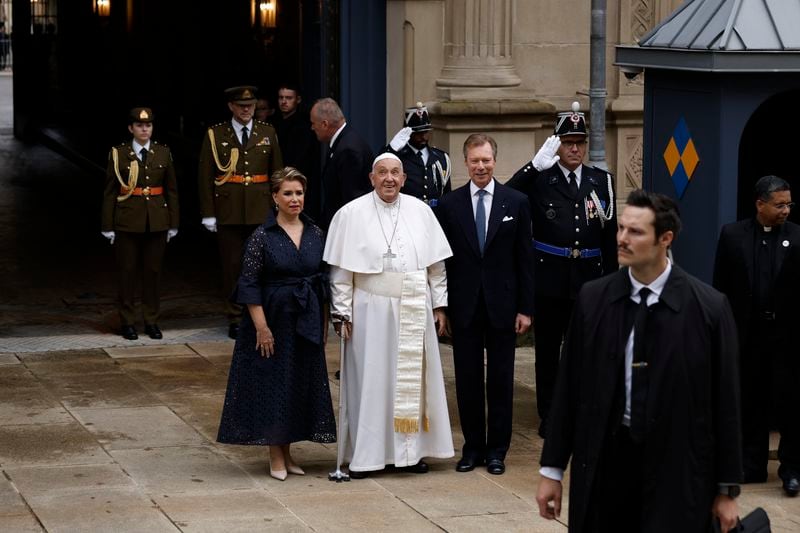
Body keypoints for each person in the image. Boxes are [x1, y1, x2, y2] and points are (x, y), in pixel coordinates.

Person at [536, 189, 742, 533]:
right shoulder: (593, 300)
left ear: (665, 238)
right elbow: (569, 390)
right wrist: (552, 470)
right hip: (606, 464)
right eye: (620, 228)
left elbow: (727, 404)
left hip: (677, 470)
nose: (622, 239)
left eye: (635, 232)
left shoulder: (709, 309)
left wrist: (727, 490)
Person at [322, 153, 454, 478]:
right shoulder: (350, 214)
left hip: (413, 305)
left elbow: (436, 268)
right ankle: (368, 457)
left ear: (404, 178)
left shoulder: (421, 212)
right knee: (372, 382)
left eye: (395, 173)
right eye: (382, 173)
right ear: (371, 177)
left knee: (413, 385)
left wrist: (439, 306)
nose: (389, 179)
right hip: (369, 309)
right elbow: (340, 273)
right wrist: (341, 313)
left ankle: (411, 454)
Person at [506, 101, 617, 438]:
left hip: (589, 279)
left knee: (585, 350)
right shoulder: (542, 179)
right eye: (567, 142)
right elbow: (506, 197)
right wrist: (532, 168)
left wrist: (612, 284)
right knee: (548, 353)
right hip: (550, 279)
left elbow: (609, 237)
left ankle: (582, 410)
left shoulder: (602, 180)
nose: (574, 149)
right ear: (557, 144)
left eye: (579, 142)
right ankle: (551, 414)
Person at [217, 167, 336, 480]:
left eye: (299, 193)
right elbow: (249, 284)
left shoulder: (316, 233)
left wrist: (323, 324)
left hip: (306, 319)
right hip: (272, 320)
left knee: (297, 384)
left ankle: (288, 452)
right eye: (288, 193)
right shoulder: (261, 237)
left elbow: (323, 282)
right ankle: (275, 454)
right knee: (273, 384)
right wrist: (262, 328)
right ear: (274, 197)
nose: (294, 199)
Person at [436, 134, 534, 475]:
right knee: (467, 380)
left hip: (504, 306)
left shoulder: (516, 201)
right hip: (464, 306)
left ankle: (497, 451)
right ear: (466, 162)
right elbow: (443, 262)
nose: (481, 166)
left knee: (501, 380)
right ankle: (473, 447)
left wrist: (526, 308)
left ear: (495, 161)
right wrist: (442, 307)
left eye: (487, 160)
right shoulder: (450, 205)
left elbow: (525, 260)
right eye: (475, 161)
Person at [713, 175, 800, 496]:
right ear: (760, 204)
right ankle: (751, 465)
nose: (786, 210)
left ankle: (791, 468)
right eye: (779, 205)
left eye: (789, 204)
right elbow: (720, 287)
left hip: (788, 338)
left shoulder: (798, 237)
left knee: (791, 404)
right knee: (750, 401)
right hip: (748, 335)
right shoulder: (732, 235)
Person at [198, 85, 283, 339]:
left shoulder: (267, 132)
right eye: (241, 106)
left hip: (260, 210)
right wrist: (208, 212)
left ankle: (261, 315)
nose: (247, 110)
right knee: (233, 266)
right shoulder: (216, 134)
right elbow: (205, 176)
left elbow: (277, 173)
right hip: (229, 210)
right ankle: (235, 317)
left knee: (263, 265)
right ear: (231, 107)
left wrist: (279, 208)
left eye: (251, 106)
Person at [101, 107, 179, 340]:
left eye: (148, 125)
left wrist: (173, 222)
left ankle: (151, 321)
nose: (144, 129)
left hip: (156, 221)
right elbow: (110, 192)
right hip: (127, 220)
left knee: (152, 273)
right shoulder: (119, 153)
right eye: (139, 125)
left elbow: (172, 190)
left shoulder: (163, 153)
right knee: (127, 273)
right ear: (131, 128)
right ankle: (127, 322)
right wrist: (107, 225)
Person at [310, 97, 373, 230]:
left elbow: (352, 200)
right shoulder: (343, 141)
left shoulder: (348, 149)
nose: (312, 127)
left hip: (347, 229)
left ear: (325, 124)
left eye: (313, 123)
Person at [384, 102, 451, 207]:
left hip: (434, 216)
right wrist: (390, 149)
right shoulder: (398, 157)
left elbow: (447, 194)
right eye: (418, 133)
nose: (423, 137)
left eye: (426, 132)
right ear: (408, 132)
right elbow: (380, 172)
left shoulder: (441, 158)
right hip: (407, 213)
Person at [271, 83, 321, 220]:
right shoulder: (272, 124)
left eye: (288, 98)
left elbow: (303, 160)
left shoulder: (305, 126)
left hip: (298, 183)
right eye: (281, 97)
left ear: (297, 100)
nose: (284, 101)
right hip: (277, 184)